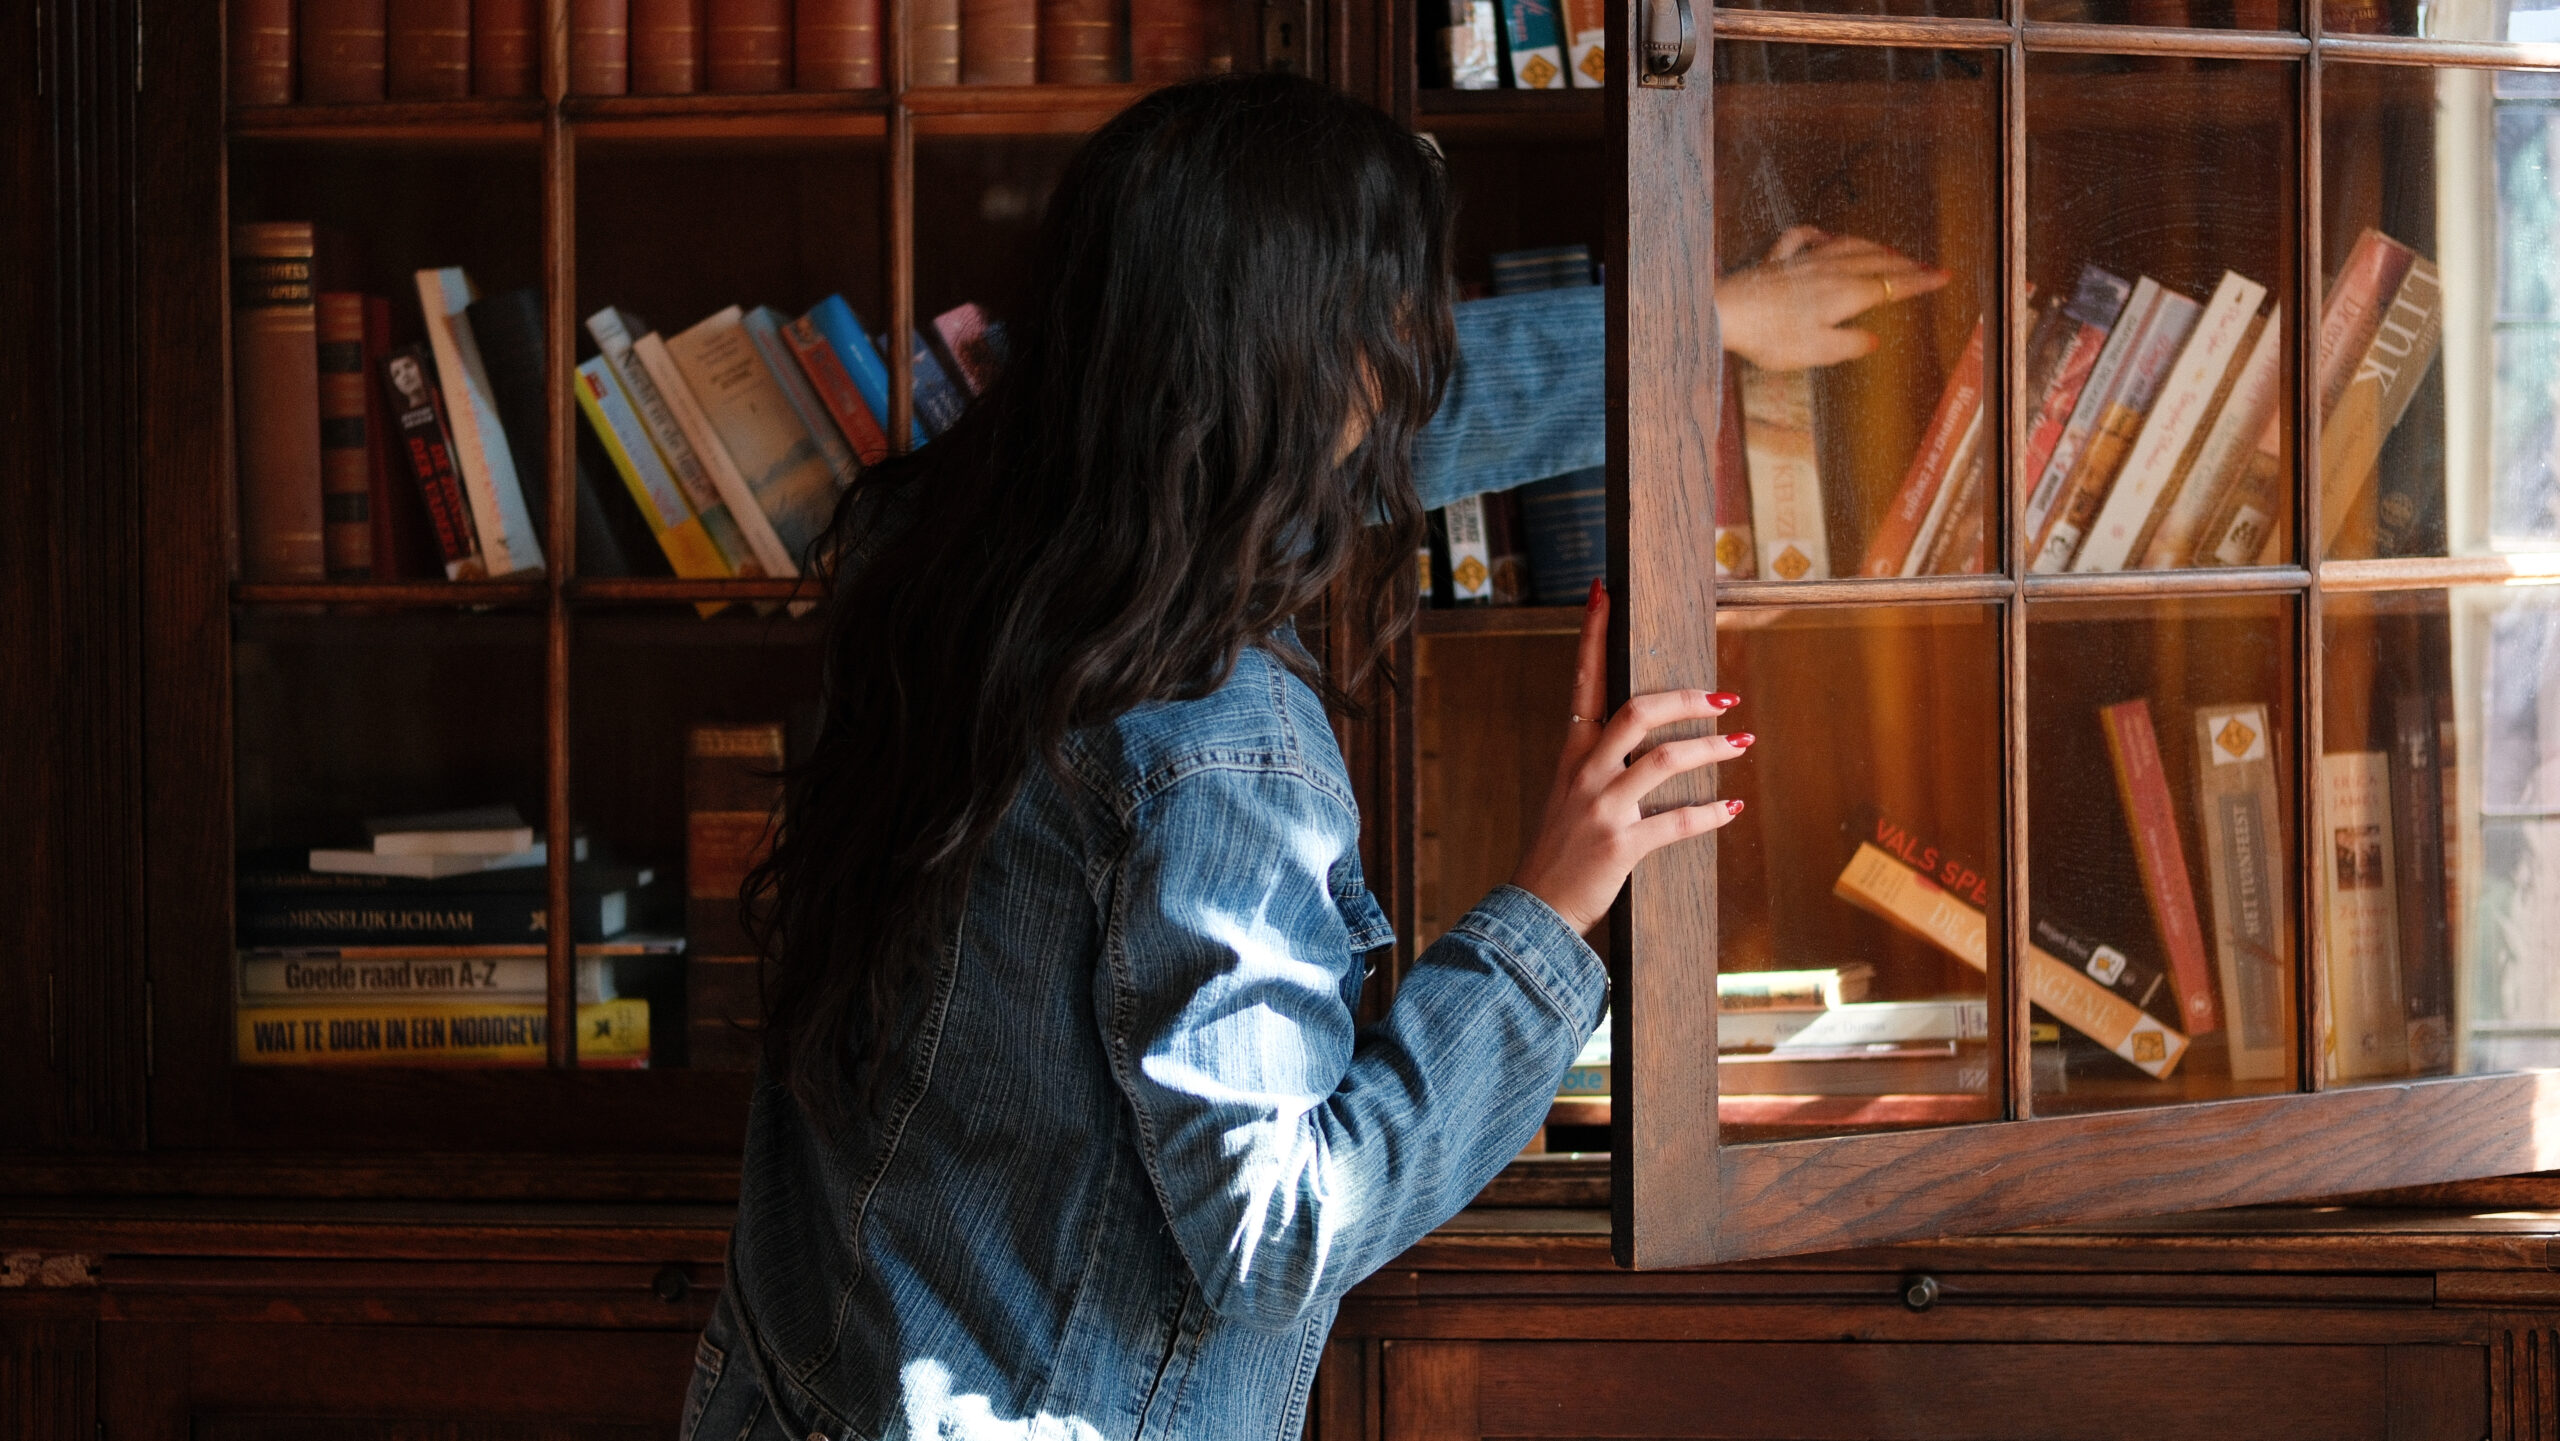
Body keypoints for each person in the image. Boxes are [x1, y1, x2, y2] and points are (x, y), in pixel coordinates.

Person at [685, 74, 1942, 1441]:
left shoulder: (941, 544)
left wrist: (1705, 326)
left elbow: (1331, 435)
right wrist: (1549, 907)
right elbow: (1277, 1231)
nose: (1417, 358)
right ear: (1312, 364)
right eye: (1398, 320)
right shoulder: (1219, 747)